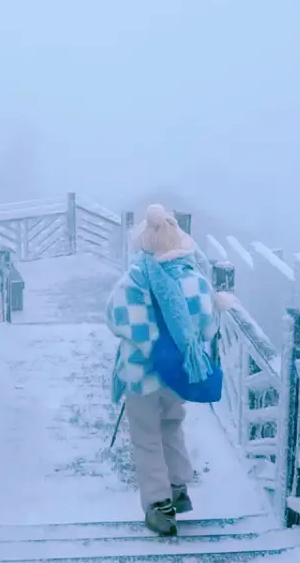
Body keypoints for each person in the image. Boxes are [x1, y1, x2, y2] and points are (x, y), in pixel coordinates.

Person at [105, 204, 235, 536]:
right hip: (178, 373)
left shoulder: (132, 280)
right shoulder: (195, 281)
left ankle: (158, 507)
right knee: (172, 426)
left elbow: (115, 318)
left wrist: (150, 346)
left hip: (139, 374)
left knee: (146, 438)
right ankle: (178, 489)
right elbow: (207, 328)